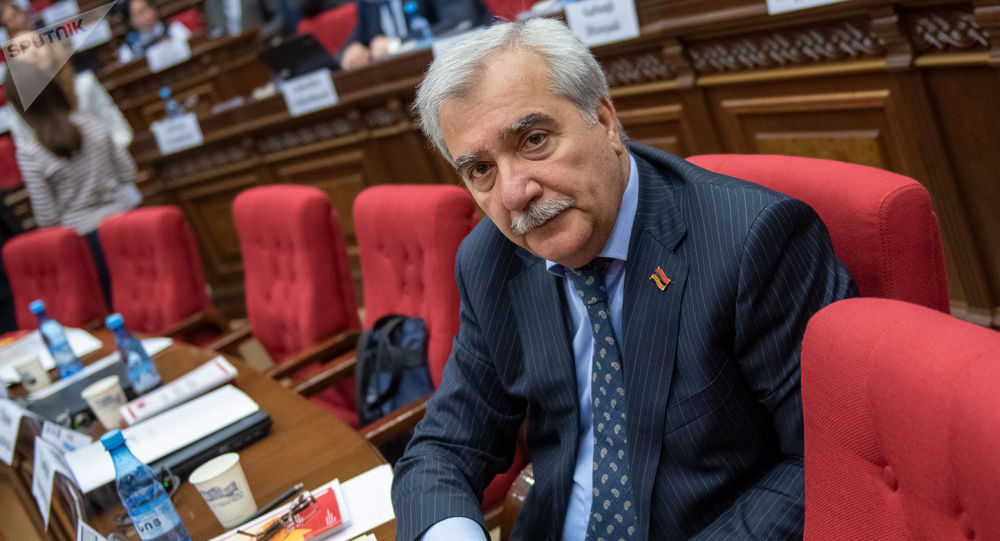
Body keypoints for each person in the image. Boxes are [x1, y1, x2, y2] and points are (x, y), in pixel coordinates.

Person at [392, 18, 857, 541]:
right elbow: (444, 448)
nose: (515, 193)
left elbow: (824, 460)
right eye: (481, 170)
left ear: (605, 121)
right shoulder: (490, 260)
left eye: (534, 140)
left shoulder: (751, 241)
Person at [4, 63, 141, 306]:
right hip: (128, 224)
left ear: (19, 107)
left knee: (115, 310)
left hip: (84, 244)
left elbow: (47, 217)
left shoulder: (30, 153)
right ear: (54, 87)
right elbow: (128, 172)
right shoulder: (91, 122)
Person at [6, 29, 132, 149]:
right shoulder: (19, 109)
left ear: (51, 48)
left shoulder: (84, 84)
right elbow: (26, 151)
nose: (33, 51)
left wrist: (110, 155)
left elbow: (119, 130)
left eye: (38, 43)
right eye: (23, 49)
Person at [340, 0, 493, 70]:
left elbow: (461, 23)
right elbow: (359, 37)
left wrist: (396, 44)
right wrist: (350, 51)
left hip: (475, 63)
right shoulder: (368, 3)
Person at [117, 0, 192, 64]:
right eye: (140, 13)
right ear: (130, 21)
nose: (147, 16)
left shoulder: (174, 29)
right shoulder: (128, 51)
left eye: (147, 8)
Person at [203, 0, 285, 41]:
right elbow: (214, 31)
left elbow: (279, 17)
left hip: (260, 43)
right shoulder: (211, 2)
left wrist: (260, 36)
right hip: (229, 54)